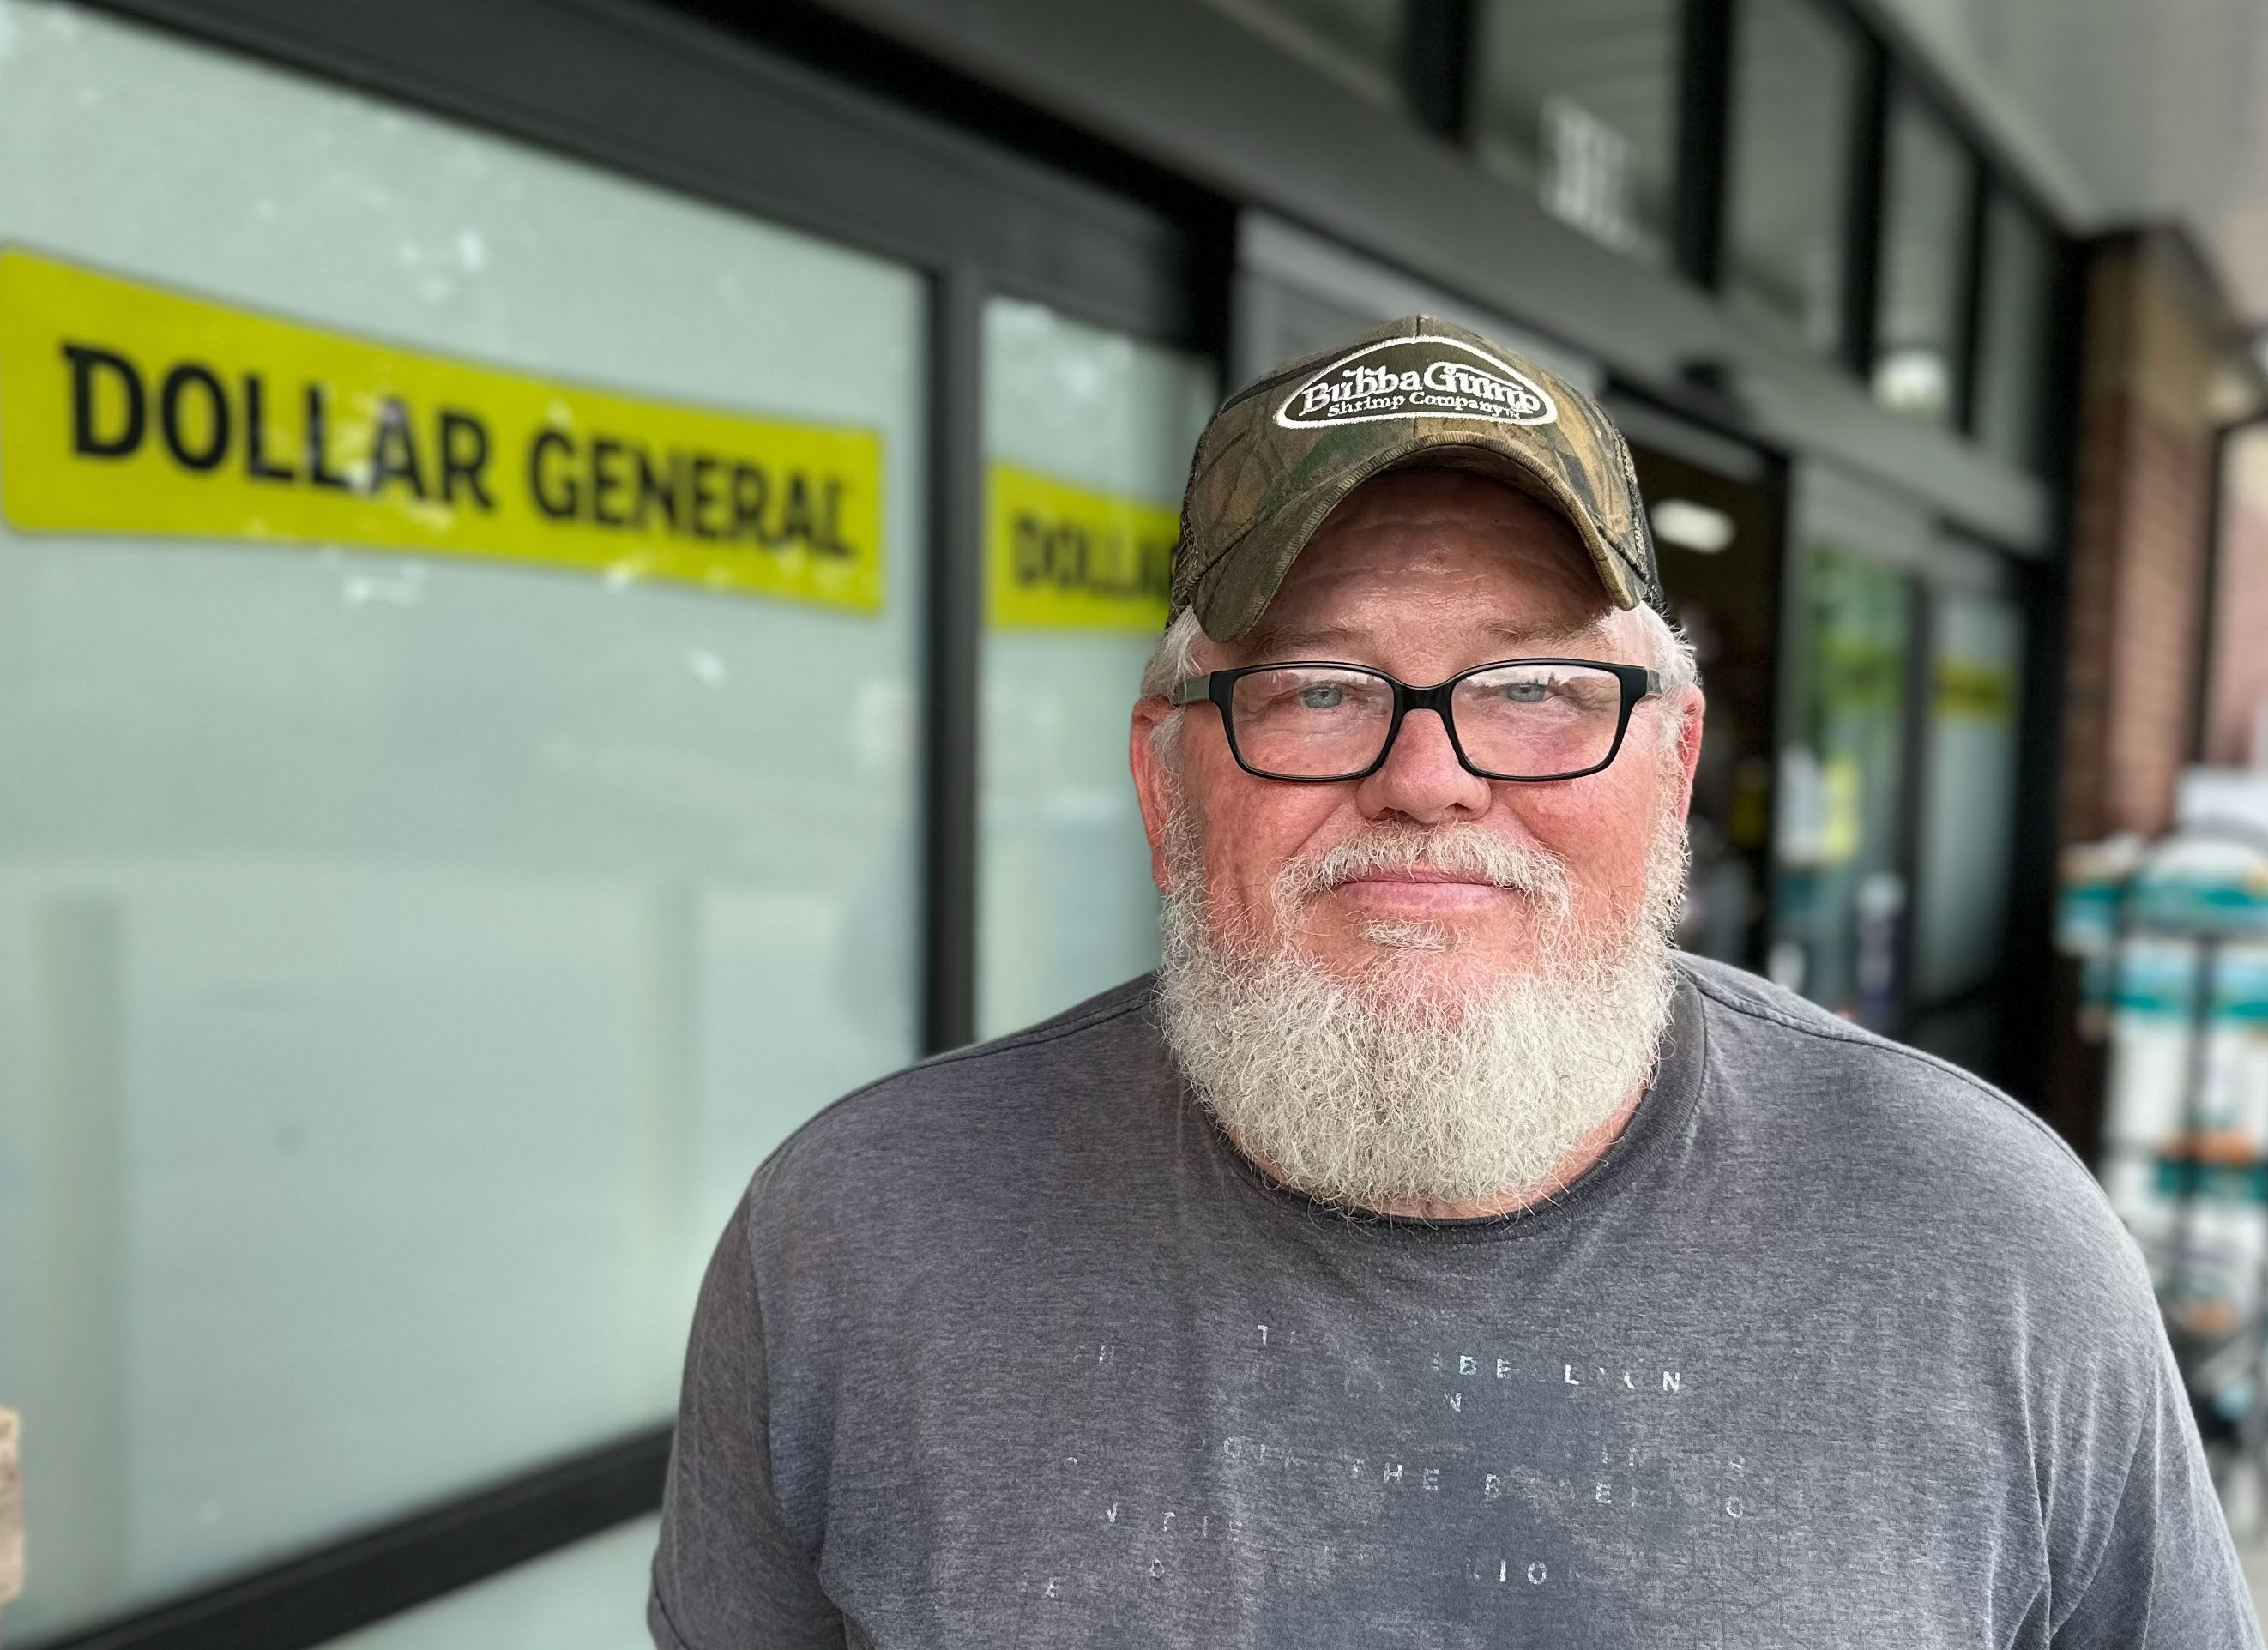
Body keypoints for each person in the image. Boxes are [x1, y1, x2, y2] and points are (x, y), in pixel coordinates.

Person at [650, 317, 2258, 1646]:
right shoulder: (853, 1239)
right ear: (1165, 782)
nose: (1427, 775)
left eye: (1543, 688)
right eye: (1316, 685)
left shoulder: (1990, 1244)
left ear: (1674, 763)